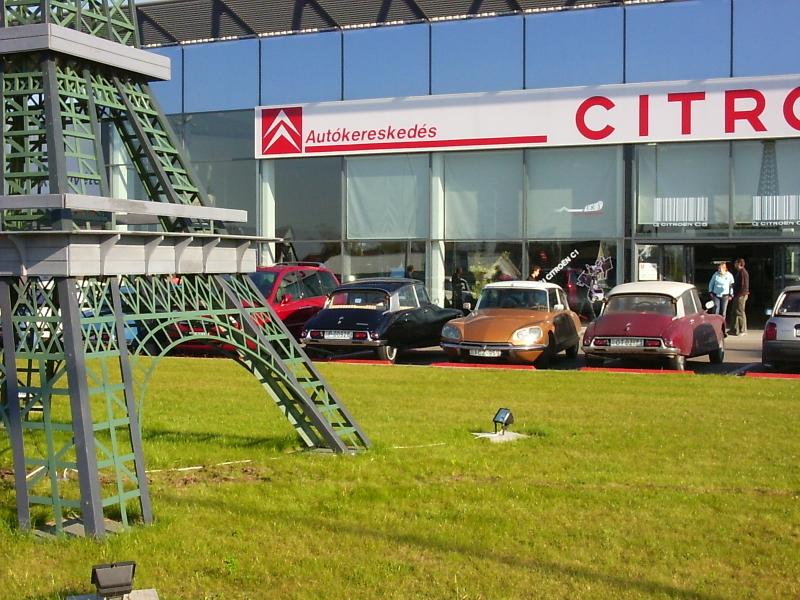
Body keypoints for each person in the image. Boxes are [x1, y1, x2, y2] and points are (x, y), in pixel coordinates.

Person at [731, 258, 750, 335]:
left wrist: (740, 293)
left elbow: (743, 285)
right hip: (737, 295)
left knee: (740, 312)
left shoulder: (743, 272)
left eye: (736, 263)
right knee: (734, 312)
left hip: (741, 295)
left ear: (739, 263)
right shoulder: (739, 272)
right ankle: (734, 329)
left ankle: (743, 330)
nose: (734, 264)